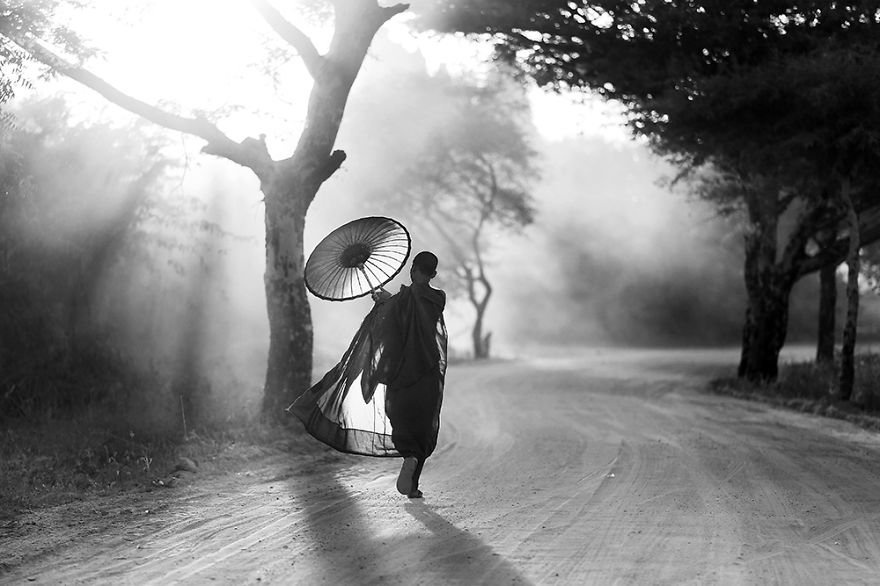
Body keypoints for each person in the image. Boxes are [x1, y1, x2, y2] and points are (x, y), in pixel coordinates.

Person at [288, 251, 448, 499]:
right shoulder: (438, 298)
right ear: (434, 274)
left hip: (400, 374)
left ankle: (409, 455)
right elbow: (411, 308)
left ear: (412, 269)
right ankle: (414, 471)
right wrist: (389, 301)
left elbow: (396, 316)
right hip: (427, 374)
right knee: (424, 423)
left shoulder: (403, 299)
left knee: (400, 418)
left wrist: (385, 302)